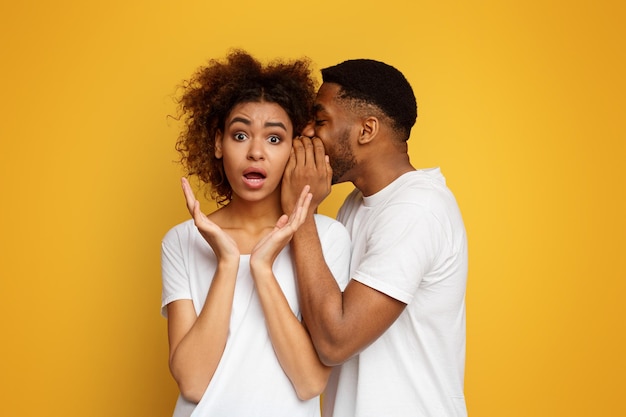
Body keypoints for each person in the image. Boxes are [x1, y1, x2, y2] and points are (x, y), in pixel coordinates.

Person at [160, 50, 351, 417]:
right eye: (240, 134)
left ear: (295, 147)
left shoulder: (327, 237)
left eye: (275, 139)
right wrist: (229, 263)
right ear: (218, 144)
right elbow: (194, 382)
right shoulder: (183, 239)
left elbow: (311, 382)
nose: (256, 152)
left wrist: (262, 269)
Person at [282, 59, 468, 416]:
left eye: (320, 121)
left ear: (366, 130)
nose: (306, 133)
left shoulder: (417, 209)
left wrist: (300, 210)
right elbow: (319, 314)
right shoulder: (357, 205)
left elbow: (336, 341)